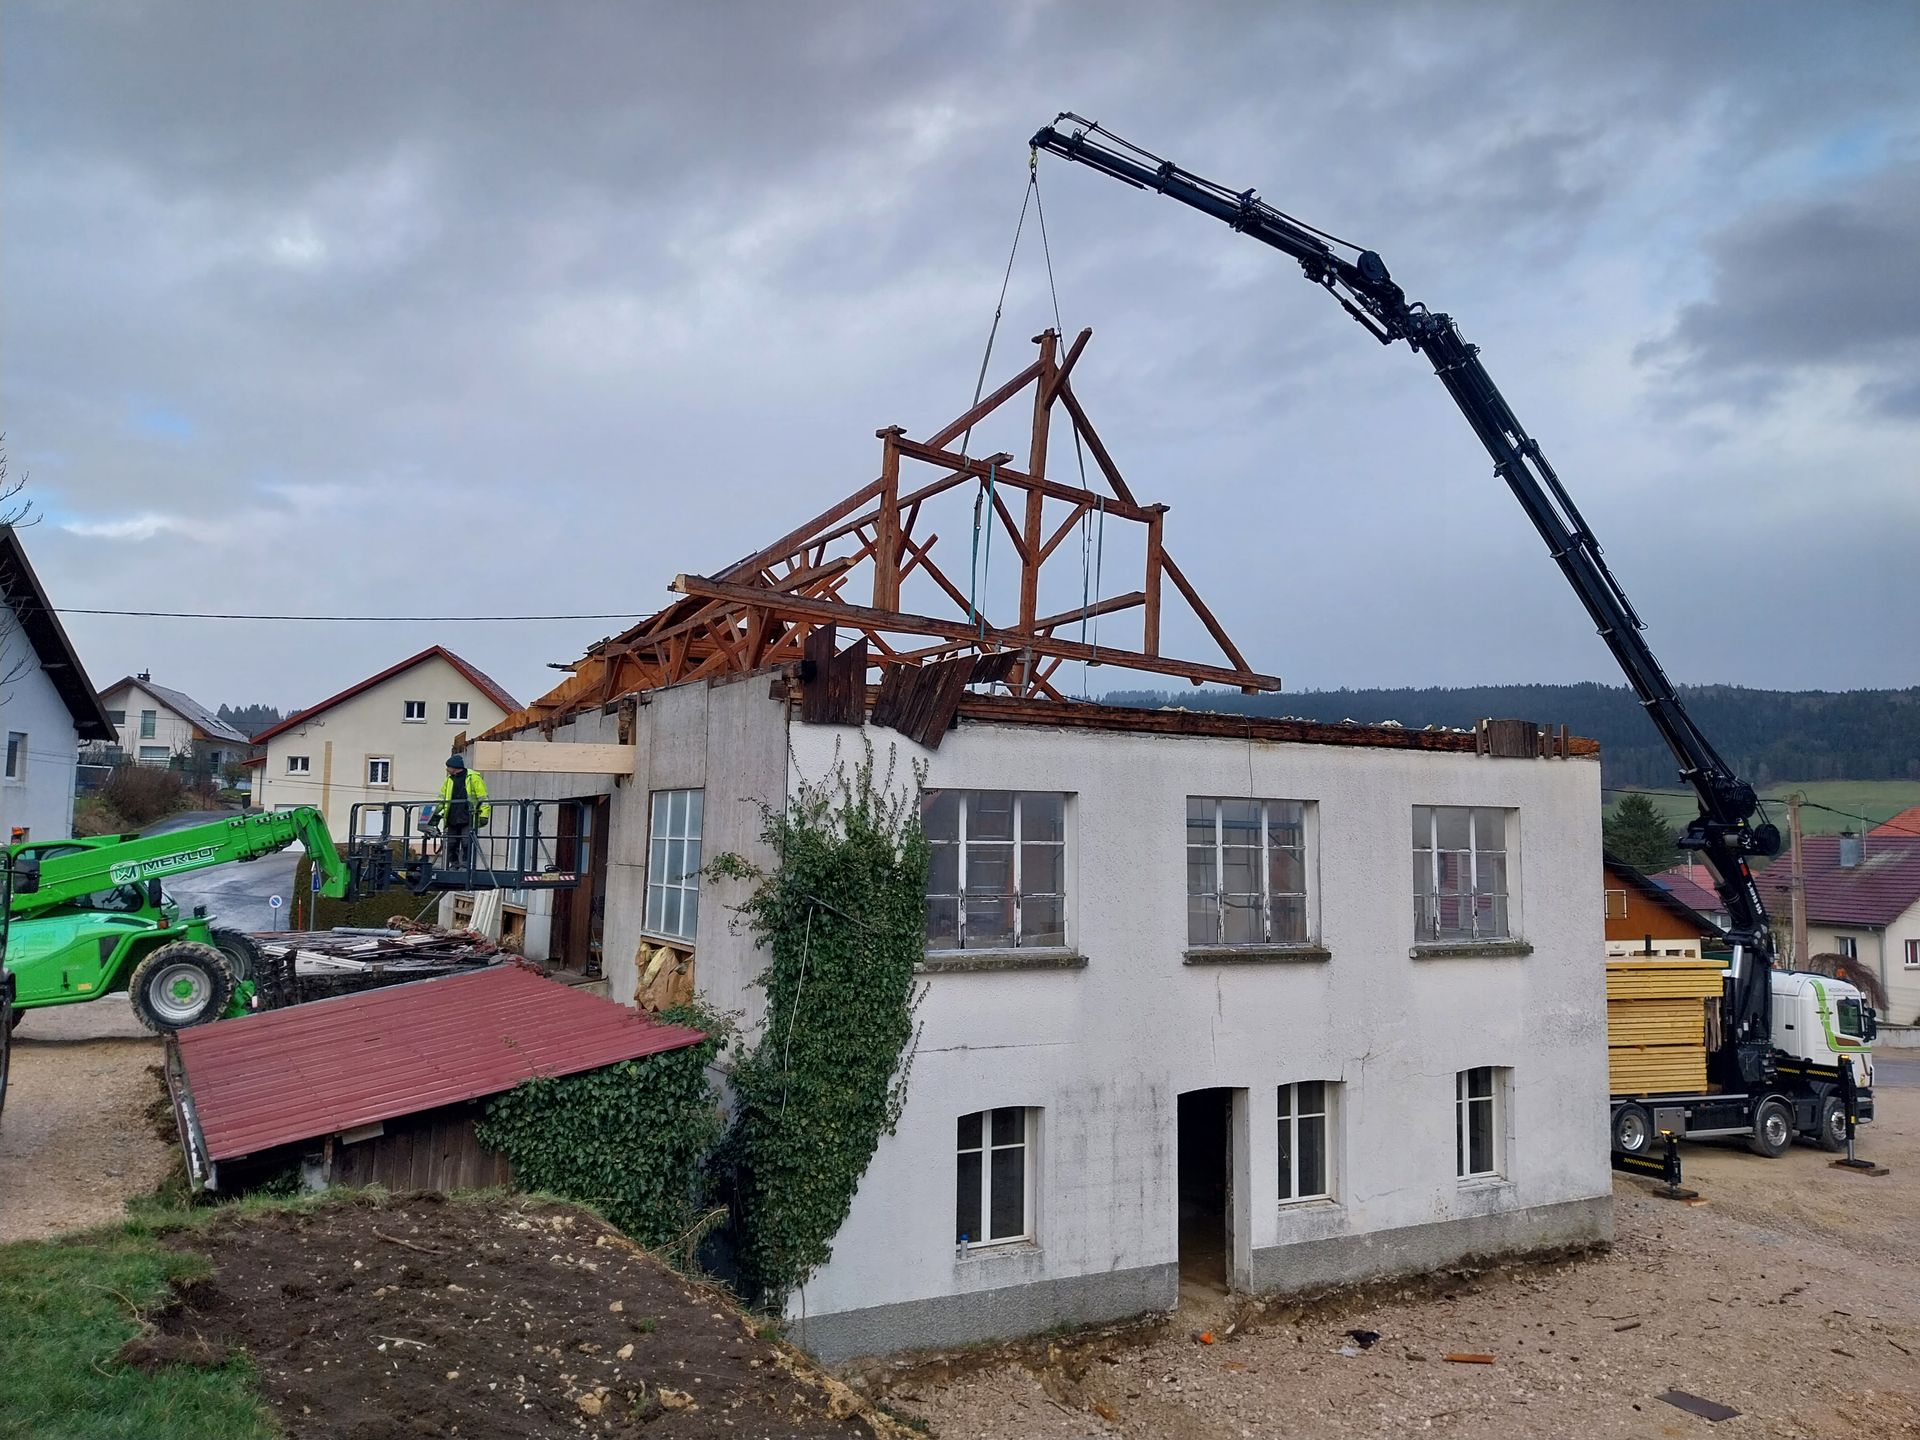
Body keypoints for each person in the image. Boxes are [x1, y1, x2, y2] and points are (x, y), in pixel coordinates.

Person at [422, 754, 490, 870]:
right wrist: (431, 812)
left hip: (468, 816)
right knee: (452, 843)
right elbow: (442, 799)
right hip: (452, 816)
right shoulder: (449, 780)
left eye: (448, 767)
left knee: (466, 842)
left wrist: (484, 815)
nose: (446, 769)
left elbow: (483, 798)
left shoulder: (473, 778)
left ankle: (465, 865)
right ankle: (454, 864)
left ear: (455, 767)